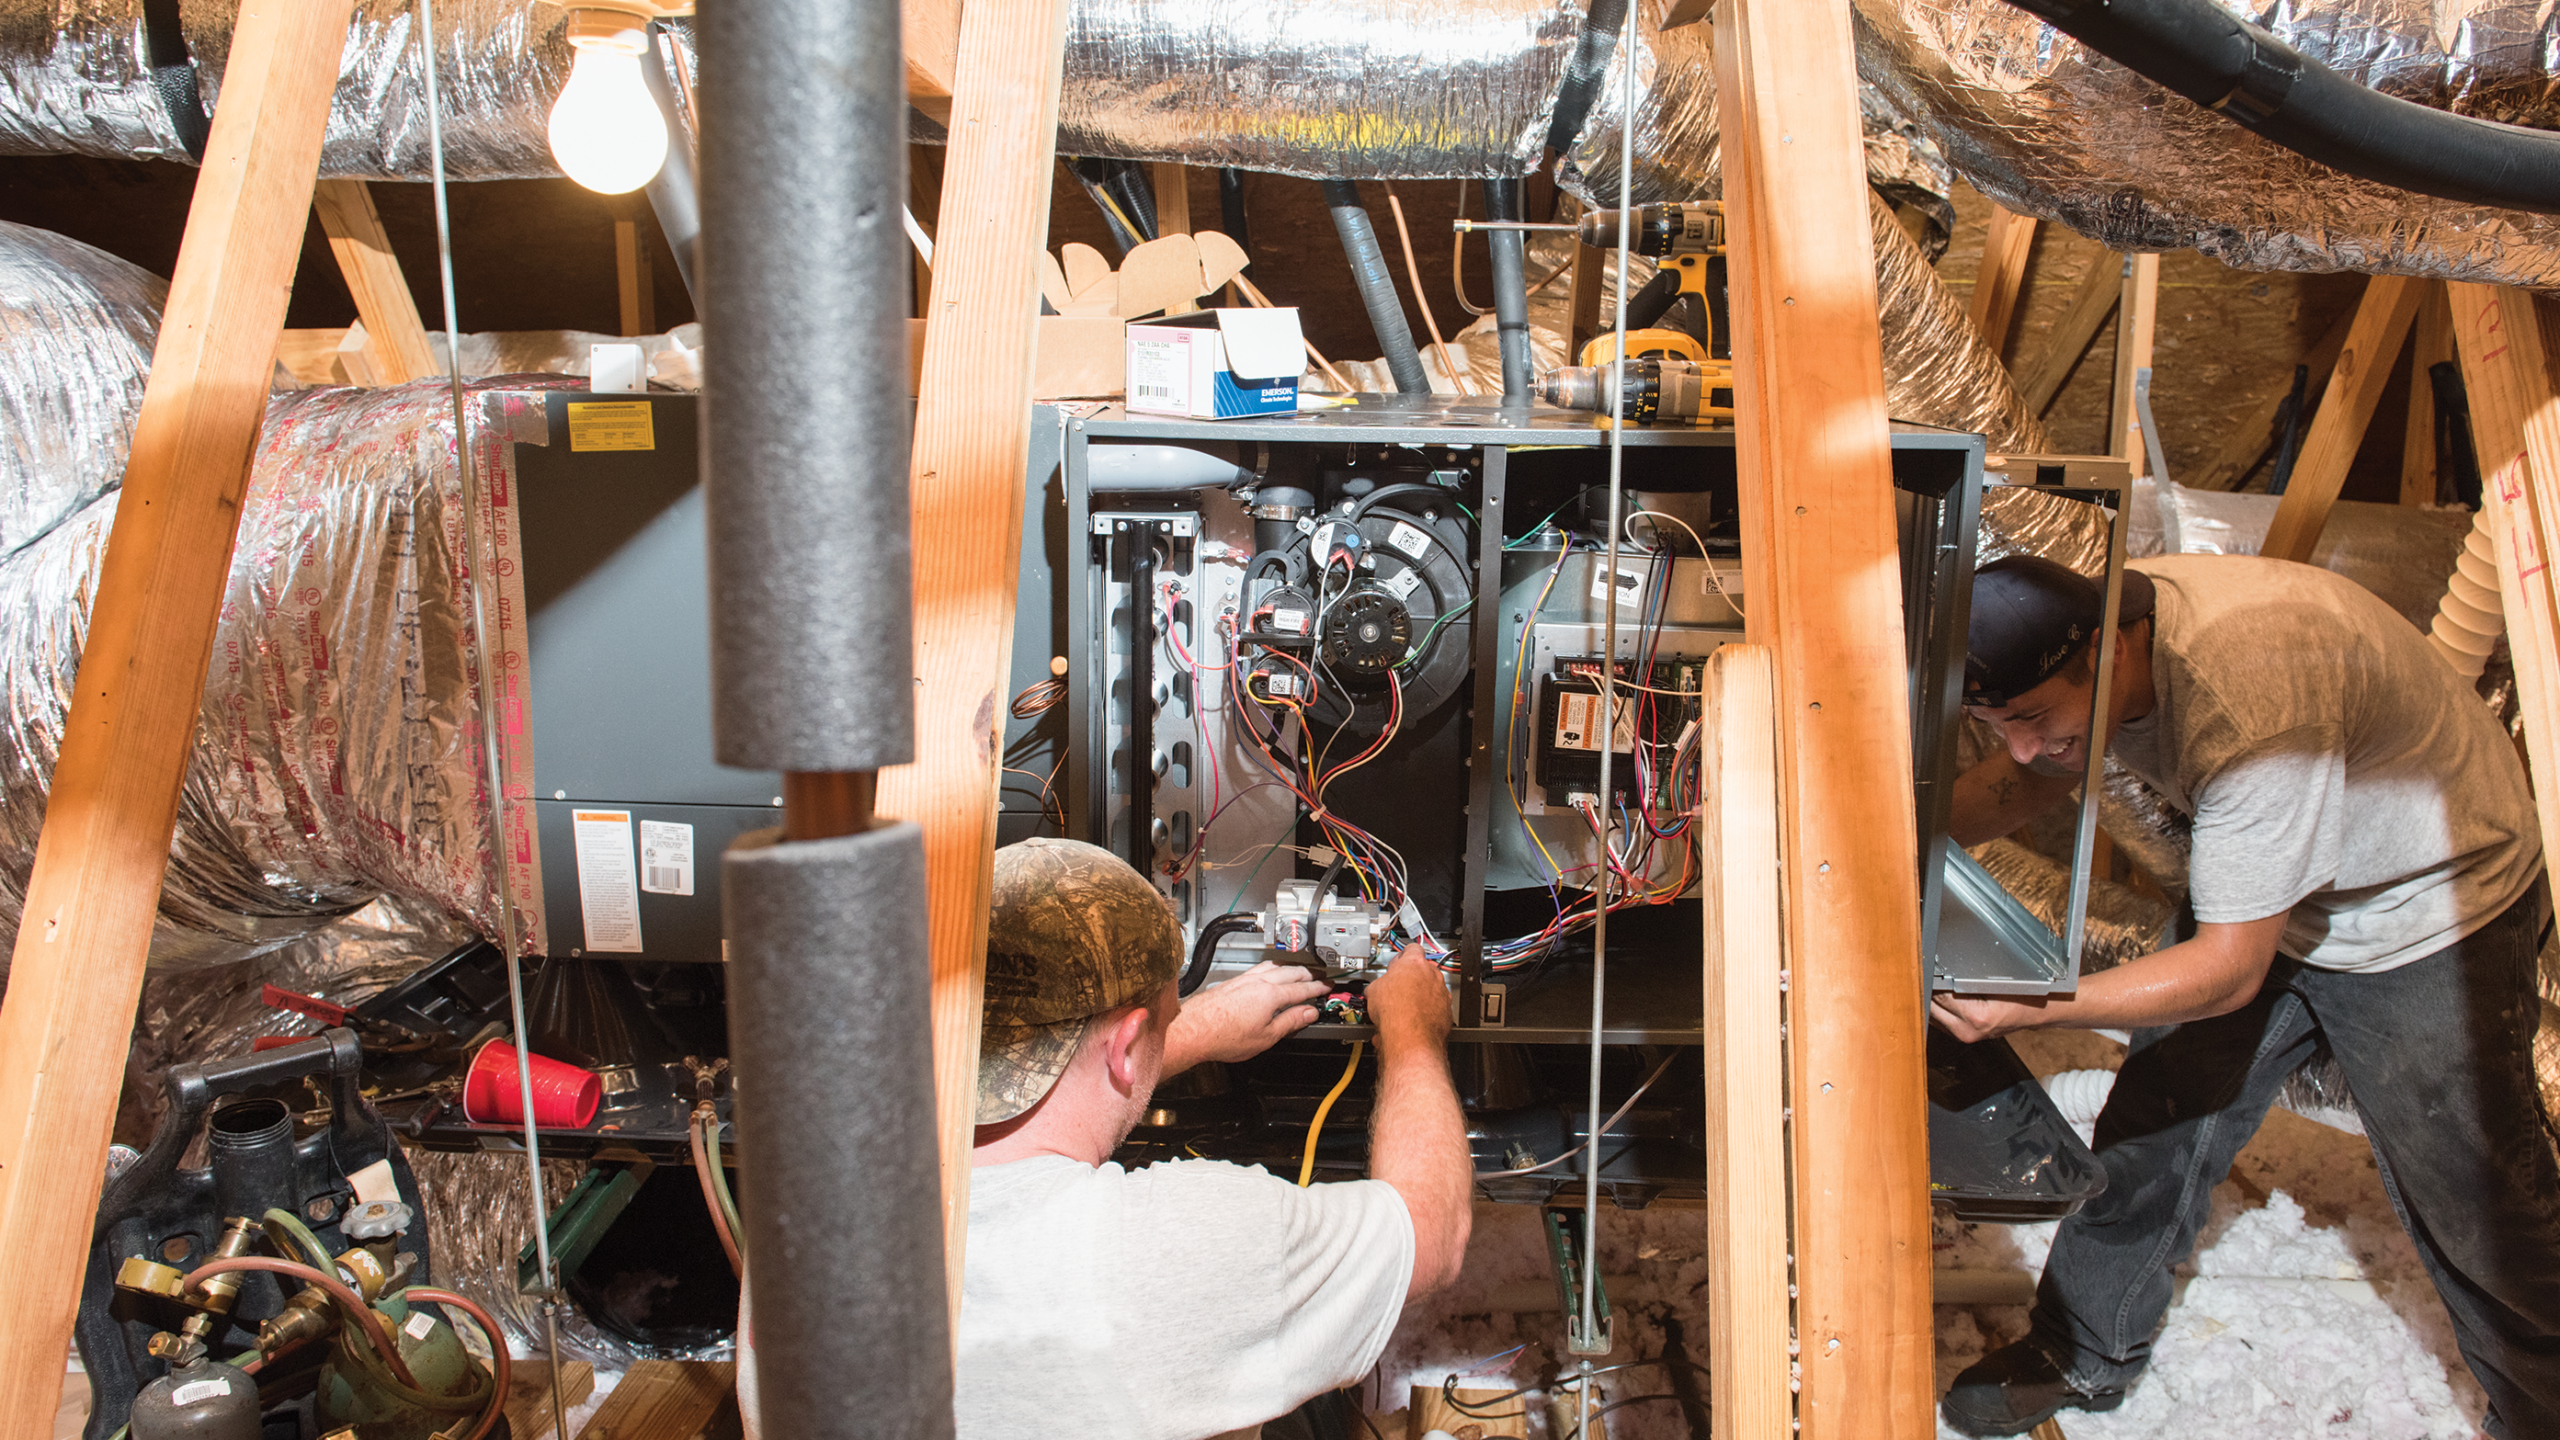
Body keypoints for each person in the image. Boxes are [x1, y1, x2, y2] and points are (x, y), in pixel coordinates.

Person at [1932, 552, 2560, 1438]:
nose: (2024, 744)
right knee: (2156, 1119)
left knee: (2477, 1198)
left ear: (2112, 653)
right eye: (2001, 725)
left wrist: (2033, 1005)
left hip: (2429, 903)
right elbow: (2040, 766)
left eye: (2032, 718)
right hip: (2281, 884)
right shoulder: (2096, 624)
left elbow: (2230, 971)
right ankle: (2082, 1349)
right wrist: (1903, 848)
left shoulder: (2250, 704)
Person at [954, 837, 1473, 1439]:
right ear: (1125, 1047)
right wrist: (1413, 1030)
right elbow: (1432, 1234)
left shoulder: (841, 1178)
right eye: (1172, 1015)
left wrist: (1184, 1033)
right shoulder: (1178, 1244)